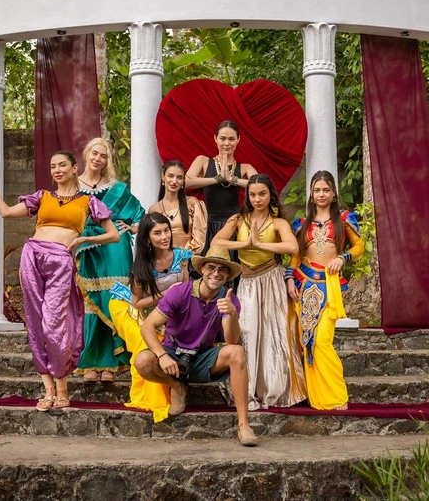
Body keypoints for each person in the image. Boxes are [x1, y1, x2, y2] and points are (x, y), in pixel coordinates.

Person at [0, 151, 119, 411]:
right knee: (36, 322)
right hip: (32, 256)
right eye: (52, 166)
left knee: (53, 324)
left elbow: (113, 235)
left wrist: (84, 239)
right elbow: (6, 212)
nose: (57, 170)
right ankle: (49, 389)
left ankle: (63, 388)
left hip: (61, 260)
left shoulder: (88, 202)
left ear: (74, 168)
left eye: (62, 165)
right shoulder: (42, 197)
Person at [134, 246, 259, 447]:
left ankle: (244, 425)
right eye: (211, 267)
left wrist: (232, 314)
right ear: (202, 269)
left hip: (202, 358)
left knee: (237, 352)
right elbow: (147, 326)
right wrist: (161, 355)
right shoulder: (180, 292)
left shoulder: (229, 299)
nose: (216, 273)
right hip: (173, 354)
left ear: (227, 276)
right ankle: (177, 386)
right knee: (142, 361)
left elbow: (231, 340)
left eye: (222, 269)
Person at [211, 174, 306, 410]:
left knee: (275, 334)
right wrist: (244, 244)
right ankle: (247, 389)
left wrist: (261, 244)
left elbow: (293, 247)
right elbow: (216, 242)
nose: (257, 199)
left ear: (270, 195)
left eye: (262, 194)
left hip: (272, 280)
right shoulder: (238, 219)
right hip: (247, 282)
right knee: (248, 331)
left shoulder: (278, 223)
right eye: (252, 195)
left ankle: (275, 390)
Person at [286, 170, 364, 410]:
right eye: (317, 190)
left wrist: (343, 257)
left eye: (326, 190)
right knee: (307, 341)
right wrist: (289, 278)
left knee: (322, 340)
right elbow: (296, 256)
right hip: (304, 283)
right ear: (311, 194)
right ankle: (316, 396)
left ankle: (336, 395)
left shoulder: (344, 219)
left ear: (333, 194)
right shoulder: (302, 224)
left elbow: (359, 246)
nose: (321, 194)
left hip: (329, 284)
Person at [108, 212, 193, 422]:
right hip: (136, 308)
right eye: (157, 233)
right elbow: (137, 303)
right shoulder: (142, 267)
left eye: (166, 231)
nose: (164, 236)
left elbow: (186, 288)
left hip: (167, 310)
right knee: (146, 343)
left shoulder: (181, 256)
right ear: (147, 238)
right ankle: (158, 395)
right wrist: (167, 293)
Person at [75, 138, 145, 383]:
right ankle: (92, 362)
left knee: (114, 299)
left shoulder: (118, 189)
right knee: (92, 302)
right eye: (95, 153)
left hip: (115, 246)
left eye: (103, 156)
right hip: (86, 247)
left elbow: (140, 214)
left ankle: (113, 364)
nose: (98, 159)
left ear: (108, 161)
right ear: (86, 154)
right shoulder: (73, 186)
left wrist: (132, 228)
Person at [184, 120, 258, 258]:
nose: (226, 143)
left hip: (233, 224)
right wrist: (217, 179)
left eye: (231, 139)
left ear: (238, 140)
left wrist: (232, 179)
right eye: (222, 138)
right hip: (207, 224)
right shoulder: (203, 161)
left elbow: (260, 185)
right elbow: (186, 181)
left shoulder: (245, 167)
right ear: (215, 139)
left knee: (230, 264)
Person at [148, 160, 207, 255]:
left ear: (183, 181)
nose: (174, 181)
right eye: (170, 176)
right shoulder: (154, 209)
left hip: (187, 259)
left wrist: (180, 257)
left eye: (179, 177)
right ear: (163, 177)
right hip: (162, 260)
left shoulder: (193, 204)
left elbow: (199, 239)